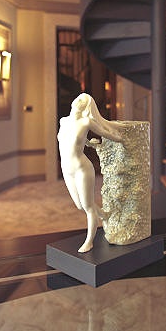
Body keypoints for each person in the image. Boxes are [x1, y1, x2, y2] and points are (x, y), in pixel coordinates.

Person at [57, 93, 124, 252]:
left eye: (84, 100)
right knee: (80, 205)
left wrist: (121, 139)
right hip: (66, 169)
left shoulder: (86, 122)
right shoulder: (63, 121)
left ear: (87, 106)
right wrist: (86, 142)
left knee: (88, 207)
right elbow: (68, 141)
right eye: (79, 97)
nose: (78, 100)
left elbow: (106, 134)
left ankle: (89, 241)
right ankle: (104, 215)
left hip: (82, 168)